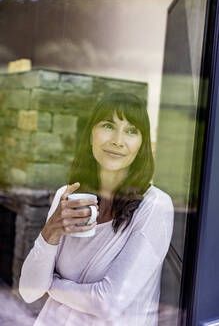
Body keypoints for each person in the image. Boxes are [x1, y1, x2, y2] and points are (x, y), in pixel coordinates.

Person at [19, 92, 174, 326]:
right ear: (91, 134)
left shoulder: (155, 206)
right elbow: (29, 291)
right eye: (108, 125)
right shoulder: (68, 195)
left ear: (142, 144)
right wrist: (50, 233)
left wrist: (50, 284)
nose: (118, 140)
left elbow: (108, 303)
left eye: (132, 131)